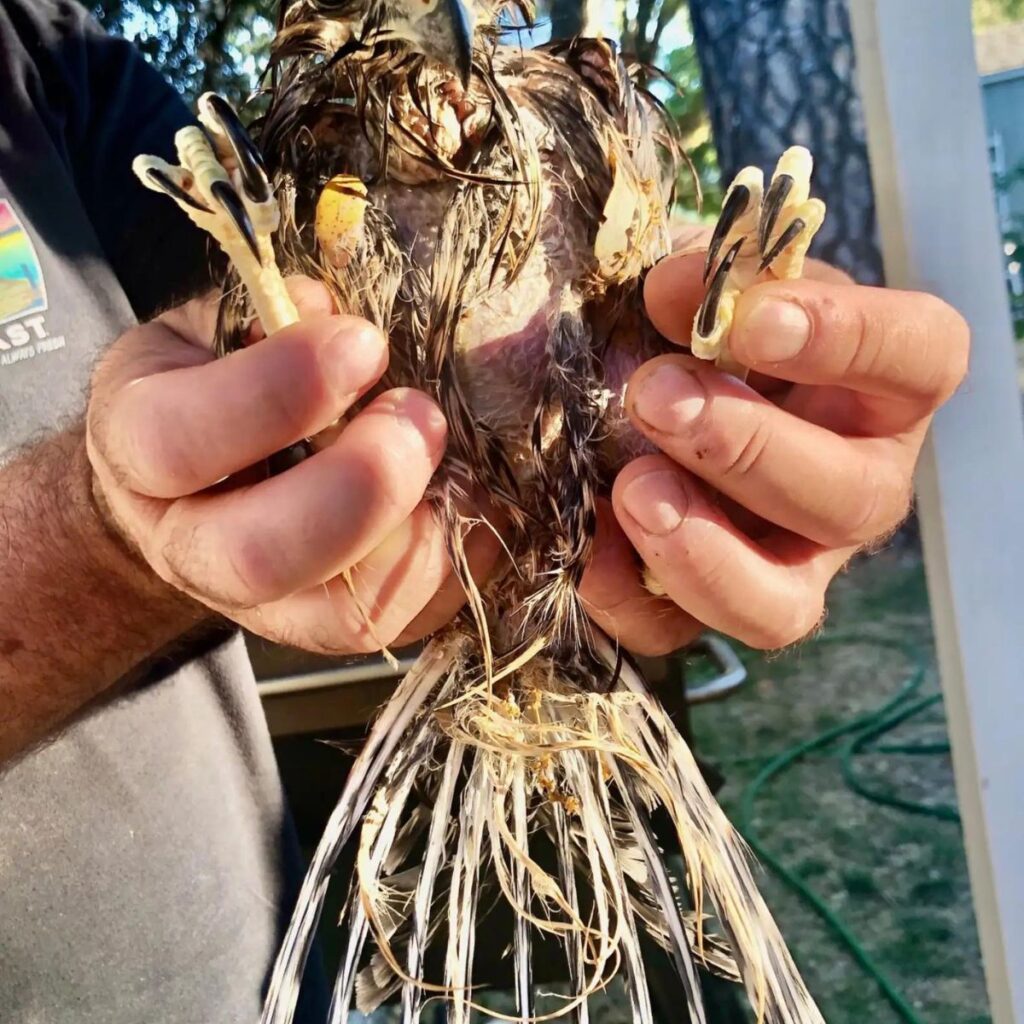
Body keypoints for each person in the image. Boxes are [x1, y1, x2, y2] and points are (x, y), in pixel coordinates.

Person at [0, 0, 969, 1021]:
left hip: (244, 972)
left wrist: (751, 366)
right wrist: (109, 527)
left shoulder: (43, 58)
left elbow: (210, 327)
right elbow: (253, 326)